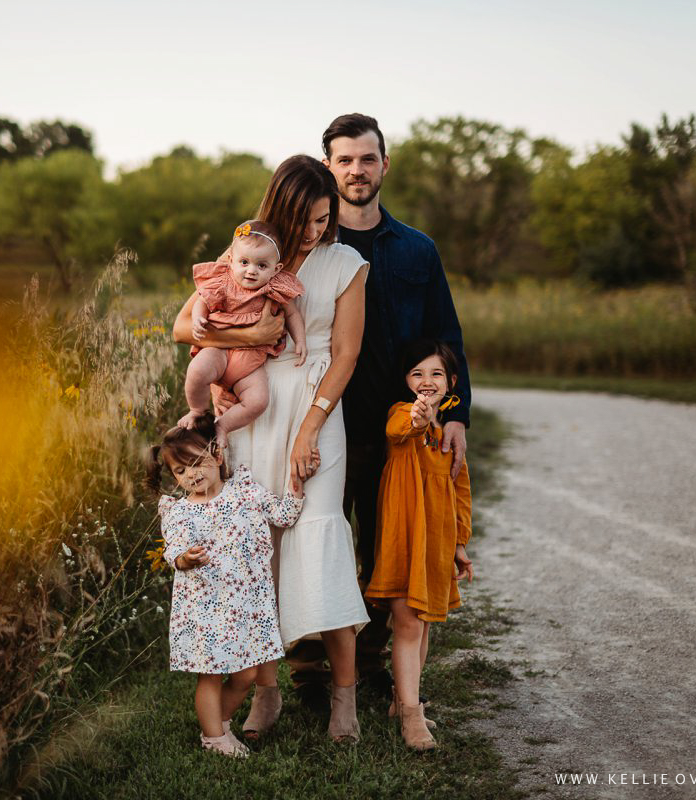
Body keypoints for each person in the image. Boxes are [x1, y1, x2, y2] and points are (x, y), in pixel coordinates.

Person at [172, 155, 370, 742]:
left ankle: (345, 699)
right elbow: (186, 326)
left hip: (313, 405)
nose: (316, 230)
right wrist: (251, 337)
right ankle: (267, 693)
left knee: (320, 537)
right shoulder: (249, 253)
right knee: (259, 553)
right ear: (282, 209)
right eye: (307, 219)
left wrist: (312, 426)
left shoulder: (346, 264)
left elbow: (347, 355)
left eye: (324, 218)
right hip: (251, 407)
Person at [282, 113, 474, 705]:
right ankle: (311, 669)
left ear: (384, 164)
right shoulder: (311, 244)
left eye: (367, 158)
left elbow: (447, 334)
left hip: (400, 431)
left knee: (385, 554)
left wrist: (458, 412)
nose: (356, 170)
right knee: (313, 542)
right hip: (323, 423)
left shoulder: (417, 249)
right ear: (328, 166)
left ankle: (367, 666)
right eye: (344, 160)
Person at [146, 412, 303, 758]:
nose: (192, 475)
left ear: (216, 455)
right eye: (180, 471)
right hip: (205, 607)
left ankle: (221, 722)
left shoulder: (244, 490)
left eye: (196, 462)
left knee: (247, 675)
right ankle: (213, 737)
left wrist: (296, 485)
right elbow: (174, 549)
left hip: (248, 605)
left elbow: (282, 515)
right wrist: (185, 559)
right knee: (211, 676)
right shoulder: (180, 511)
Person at [364, 338, 474, 750]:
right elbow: (401, 428)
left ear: (452, 381)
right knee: (407, 621)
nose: (426, 381)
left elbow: (460, 489)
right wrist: (419, 416)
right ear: (405, 381)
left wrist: (459, 544)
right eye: (417, 373)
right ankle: (412, 716)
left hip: (437, 538)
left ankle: (403, 699)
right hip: (403, 534)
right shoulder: (400, 414)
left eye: (436, 374)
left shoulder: (451, 433)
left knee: (421, 623)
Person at [179, 220, 307, 447]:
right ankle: (197, 411)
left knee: (258, 401)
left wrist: (301, 341)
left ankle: (223, 426)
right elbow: (203, 301)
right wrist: (199, 318)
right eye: (244, 262)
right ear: (231, 261)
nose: (251, 270)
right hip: (219, 350)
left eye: (261, 266)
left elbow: (293, 315)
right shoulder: (223, 282)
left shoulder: (275, 287)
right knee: (197, 371)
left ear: (276, 269)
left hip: (250, 362)